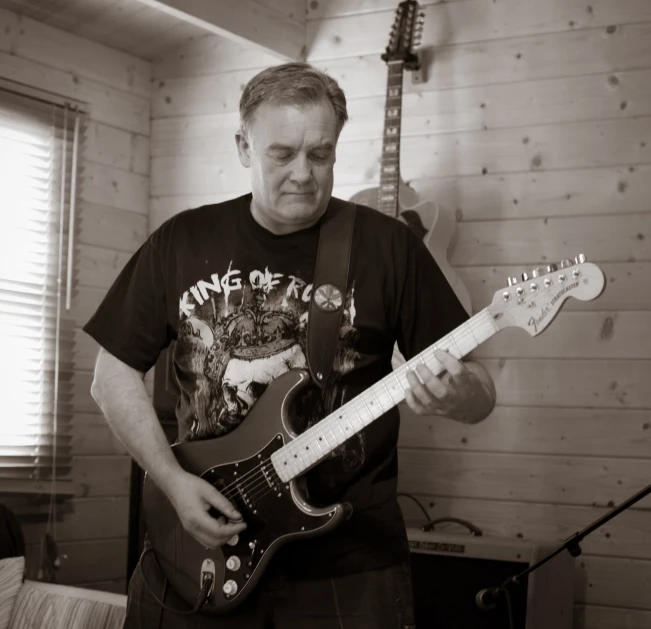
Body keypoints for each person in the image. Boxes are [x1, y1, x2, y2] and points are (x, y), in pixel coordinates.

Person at [84, 62, 497, 629]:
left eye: (321, 154)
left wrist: (457, 394)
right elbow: (110, 376)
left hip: (348, 572)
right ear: (242, 145)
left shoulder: (387, 248)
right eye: (282, 154)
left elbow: (480, 395)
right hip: (192, 550)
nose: (304, 173)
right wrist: (175, 484)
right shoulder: (181, 241)